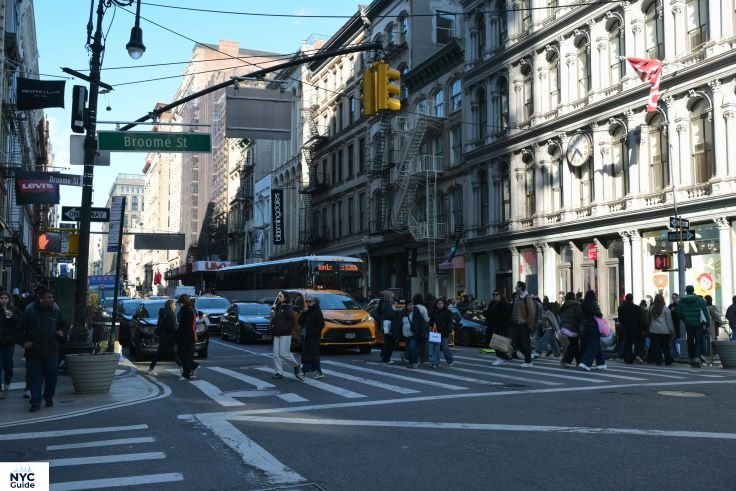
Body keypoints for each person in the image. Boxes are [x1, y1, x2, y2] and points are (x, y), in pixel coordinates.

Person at [20, 286, 69, 412]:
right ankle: (35, 401)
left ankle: (48, 397)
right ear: (41, 299)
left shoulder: (55, 311)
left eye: (52, 297)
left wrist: (62, 333)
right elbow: (19, 329)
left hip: (52, 350)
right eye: (49, 297)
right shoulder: (30, 311)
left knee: (52, 377)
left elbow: (64, 325)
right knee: (35, 378)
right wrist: (24, 341)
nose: (52, 299)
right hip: (34, 352)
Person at [270, 291, 304, 380]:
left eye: (280, 296)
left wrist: (285, 329)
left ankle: (296, 366)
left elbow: (292, 321)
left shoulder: (288, 308)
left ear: (285, 298)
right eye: (278, 296)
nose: (278, 297)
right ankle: (278, 372)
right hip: (277, 333)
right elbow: (274, 319)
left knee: (284, 354)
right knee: (276, 354)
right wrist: (273, 325)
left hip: (285, 334)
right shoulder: (277, 307)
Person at [676, 285, 710, 368]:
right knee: (698, 341)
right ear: (693, 290)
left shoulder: (682, 301)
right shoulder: (700, 300)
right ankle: (697, 358)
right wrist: (707, 323)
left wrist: (684, 319)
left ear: (686, 291)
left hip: (688, 324)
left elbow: (678, 313)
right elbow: (705, 312)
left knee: (690, 340)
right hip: (699, 324)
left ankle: (691, 358)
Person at [147, 299, 179, 376]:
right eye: (174, 304)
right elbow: (173, 326)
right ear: (171, 305)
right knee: (174, 353)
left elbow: (159, 324)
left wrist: (156, 333)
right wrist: (177, 332)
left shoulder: (163, 313)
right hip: (170, 336)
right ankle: (182, 368)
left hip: (163, 336)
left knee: (161, 353)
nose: (175, 306)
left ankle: (151, 368)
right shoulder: (171, 314)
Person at [578, 290, 606, 371]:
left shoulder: (582, 304)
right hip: (593, 325)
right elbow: (599, 314)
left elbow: (580, 315)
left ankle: (601, 363)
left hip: (585, 326)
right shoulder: (593, 303)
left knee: (595, 344)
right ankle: (586, 363)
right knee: (594, 344)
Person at [0, 291, 21, 398]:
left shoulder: (14, 310)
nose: (3, 300)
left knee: (7, 364)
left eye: (5, 298)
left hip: (9, 342)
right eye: (1, 298)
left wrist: (11, 317)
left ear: (9, 300)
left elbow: (18, 324)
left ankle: (8, 378)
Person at [510, 281, 535, 367]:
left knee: (525, 342)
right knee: (516, 341)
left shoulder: (527, 298)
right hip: (516, 324)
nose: (515, 288)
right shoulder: (517, 297)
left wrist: (528, 324)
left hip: (524, 324)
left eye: (516, 286)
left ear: (520, 287)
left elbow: (531, 312)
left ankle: (528, 362)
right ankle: (528, 356)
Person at [299, 295, 325, 378]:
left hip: (314, 337)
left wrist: (314, 332)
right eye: (306, 301)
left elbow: (321, 324)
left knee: (308, 354)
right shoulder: (308, 311)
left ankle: (303, 372)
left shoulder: (317, 311)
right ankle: (319, 372)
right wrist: (304, 312)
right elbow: (300, 321)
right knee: (314, 354)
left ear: (314, 302)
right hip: (307, 336)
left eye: (309, 301)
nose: (308, 303)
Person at [175, 295, 199, 380]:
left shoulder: (185, 311)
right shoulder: (189, 310)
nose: (179, 305)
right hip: (188, 335)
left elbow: (185, 325)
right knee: (185, 354)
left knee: (184, 355)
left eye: (179, 303)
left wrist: (178, 335)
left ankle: (186, 374)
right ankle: (193, 366)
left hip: (186, 336)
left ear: (183, 302)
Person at [648, 293, 675, 366]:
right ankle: (667, 360)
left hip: (653, 330)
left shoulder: (651, 308)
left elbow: (649, 319)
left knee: (656, 346)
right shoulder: (665, 308)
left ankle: (658, 361)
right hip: (664, 330)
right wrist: (672, 330)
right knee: (665, 346)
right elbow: (669, 320)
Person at [486, 290, 512, 366]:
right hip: (492, 326)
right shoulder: (492, 303)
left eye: (496, 294)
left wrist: (504, 326)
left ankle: (501, 358)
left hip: (501, 326)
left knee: (500, 342)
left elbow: (506, 316)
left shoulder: (504, 304)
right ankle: (500, 357)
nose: (494, 296)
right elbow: (489, 314)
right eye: (493, 294)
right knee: (495, 343)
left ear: (500, 295)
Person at [618, 294, 645, 364]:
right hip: (636, 328)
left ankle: (628, 359)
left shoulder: (621, 308)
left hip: (626, 329)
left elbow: (620, 319)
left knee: (628, 344)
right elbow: (641, 319)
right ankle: (638, 354)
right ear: (632, 299)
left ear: (626, 299)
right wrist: (642, 328)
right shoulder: (637, 308)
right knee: (638, 343)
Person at [559, 292, 583, 367]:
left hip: (565, 327)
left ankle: (579, 361)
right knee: (573, 344)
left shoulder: (564, 305)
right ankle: (566, 360)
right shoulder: (576, 305)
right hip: (573, 327)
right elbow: (579, 316)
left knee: (574, 344)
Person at [428, 298, 454, 368]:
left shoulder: (448, 312)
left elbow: (450, 322)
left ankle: (450, 360)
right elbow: (430, 322)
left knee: (445, 347)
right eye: (438, 304)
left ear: (443, 304)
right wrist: (433, 323)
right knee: (436, 348)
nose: (440, 305)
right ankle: (435, 362)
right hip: (436, 332)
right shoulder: (434, 312)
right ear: (436, 304)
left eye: (441, 303)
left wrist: (449, 330)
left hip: (444, 332)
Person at [378, 291, 398, 364]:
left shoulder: (384, 304)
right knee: (389, 343)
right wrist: (396, 312)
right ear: (389, 297)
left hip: (384, 325)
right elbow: (391, 315)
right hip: (389, 325)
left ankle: (384, 356)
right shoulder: (389, 305)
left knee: (387, 342)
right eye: (392, 297)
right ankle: (387, 358)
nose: (393, 298)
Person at [704, 295, 722, 365]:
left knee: (710, 342)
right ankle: (713, 355)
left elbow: (716, 316)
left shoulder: (709, 308)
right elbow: (718, 315)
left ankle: (709, 358)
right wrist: (720, 323)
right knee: (712, 341)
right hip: (714, 326)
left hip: (710, 327)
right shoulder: (713, 307)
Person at [411, 294, 430, 364]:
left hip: (413, 328)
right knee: (424, 344)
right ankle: (423, 358)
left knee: (414, 343)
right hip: (422, 328)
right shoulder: (423, 308)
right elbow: (426, 319)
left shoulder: (413, 307)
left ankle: (410, 356)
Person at [399, 301, 417, 368]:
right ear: (406, 306)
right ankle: (411, 362)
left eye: (412, 305)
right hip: (406, 334)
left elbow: (420, 323)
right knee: (409, 349)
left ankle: (414, 362)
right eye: (409, 305)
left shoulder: (416, 313)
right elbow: (400, 324)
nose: (411, 306)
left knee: (412, 347)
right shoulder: (403, 313)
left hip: (414, 334)